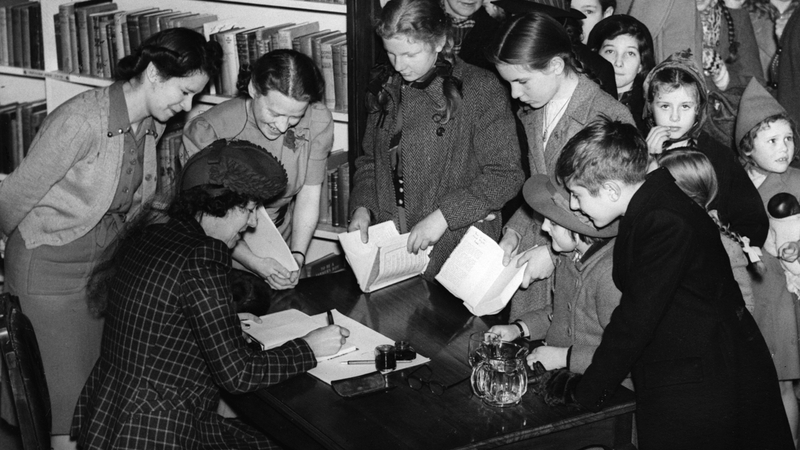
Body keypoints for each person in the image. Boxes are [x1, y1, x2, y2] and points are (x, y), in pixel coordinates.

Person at [0, 28, 221, 449]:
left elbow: (143, 203)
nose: (188, 106)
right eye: (185, 91)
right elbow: (11, 197)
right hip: (48, 275)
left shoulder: (149, 126)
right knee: (64, 413)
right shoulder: (81, 121)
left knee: (95, 402)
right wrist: (14, 246)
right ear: (154, 73)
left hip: (100, 274)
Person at [70, 139, 349, 449]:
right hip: (158, 432)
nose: (254, 222)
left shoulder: (151, 234)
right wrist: (309, 347)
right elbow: (238, 374)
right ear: (219, 204)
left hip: (113, 421)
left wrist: (222, 320)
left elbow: (162, 322)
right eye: (250, 209)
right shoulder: (201, 257)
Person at [544, 116, 793, 449]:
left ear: (612, 190)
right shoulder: (655, 201)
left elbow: (635, 320)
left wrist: (586, 391)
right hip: (696, 368)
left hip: (705, 380)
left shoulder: (662, 221)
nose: (575, 206)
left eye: (577, 195)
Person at [348, 0, 524, 280]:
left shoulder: (480, 88)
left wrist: (444, 216)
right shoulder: (388, 86)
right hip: (394, 245)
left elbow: (506, 175)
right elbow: (371, 161)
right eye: (391, 54)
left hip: (455, 246)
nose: (399, 65)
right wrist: (362, 206)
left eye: (410, 54)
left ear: (439, 42)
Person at [487, 11, 632, 317]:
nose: (514, 93)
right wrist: (513, 231)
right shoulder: (534, 110)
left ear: (555, 65)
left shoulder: (608, 119)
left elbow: (622, 219)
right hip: (535, 257)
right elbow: (544, 189)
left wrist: (553, 256)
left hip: (583, 271)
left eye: (521, 81)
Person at [182, 49, 332, 290]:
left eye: (295, 116)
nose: (283, 126)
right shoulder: (208, 130)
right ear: (253, 89)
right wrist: (256, 263)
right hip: (220, 249)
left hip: (279, 245)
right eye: (274, 113)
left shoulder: (317, 119)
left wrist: (297, 256)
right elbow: (210, 221)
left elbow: (309, 195)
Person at [488, 174, 626, 389]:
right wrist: (519, 329)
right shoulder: (569, 257)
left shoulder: (610, 273)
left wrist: (564, 358)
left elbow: (624, 352)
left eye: (552, 222)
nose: (543, 228)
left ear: (577, 227)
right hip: (561, 375)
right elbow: (563, 313)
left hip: (604, 388)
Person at [643, 49, 768, 247]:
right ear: (650, 107)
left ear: (699, 108)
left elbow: (753, 220)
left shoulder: (717, 155)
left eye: (685, 106)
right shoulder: (639, 152)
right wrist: (649, 161)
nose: (674, 117)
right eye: (665, 106)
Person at [735, 77, 800, 444]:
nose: (784, 148)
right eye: (772, 140)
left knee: (782, 383)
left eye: (788, 138)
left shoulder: (798, 180)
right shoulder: (736, 183)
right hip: (750, 294)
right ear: (748, 146)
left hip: (784, 301)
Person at [587, 14, 656, 133]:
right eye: (610, 51)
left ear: (641, 64)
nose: (618, 62)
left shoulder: (652, 112)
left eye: (630, 53)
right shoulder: (579, 99)